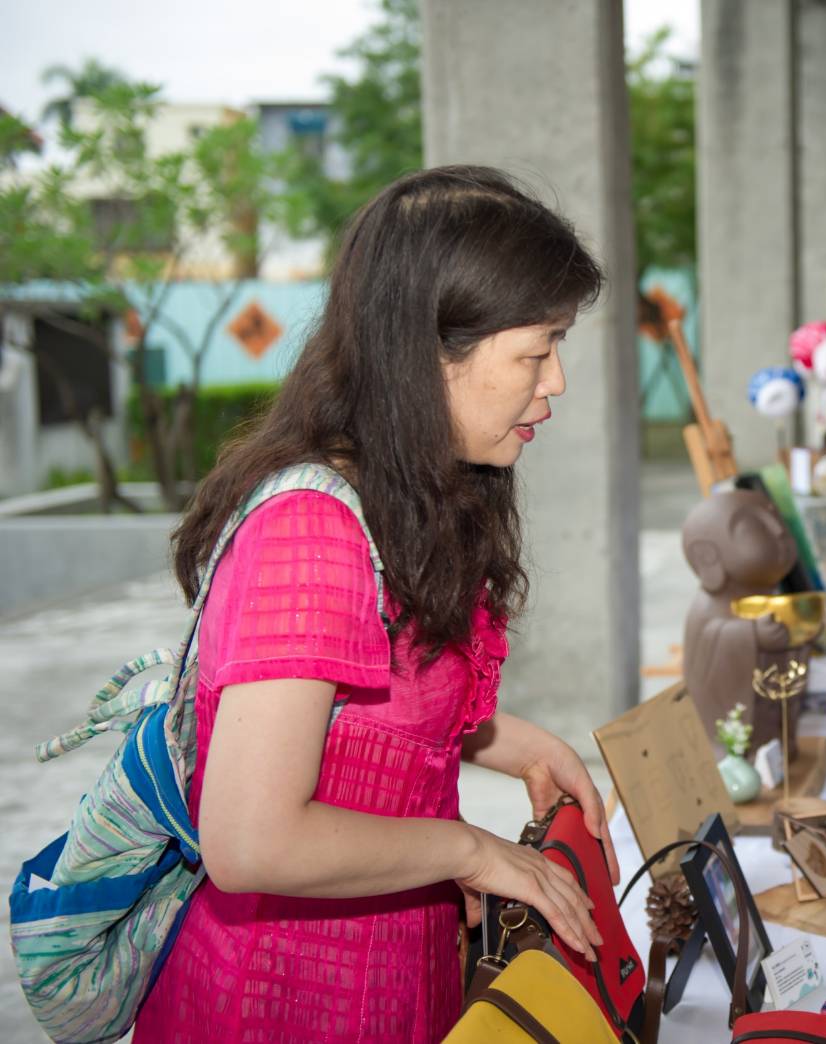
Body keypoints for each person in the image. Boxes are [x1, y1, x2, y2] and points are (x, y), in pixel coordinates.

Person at [135, 166, 617, 1042]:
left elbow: (373, 709)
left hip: (393, 977)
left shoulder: (411, 497)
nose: (556, 383)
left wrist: (515, 742)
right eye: (537, 350)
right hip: (281, 1005)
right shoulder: (308, 532)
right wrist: (476, 850)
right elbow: (252, 842)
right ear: (429, 349)